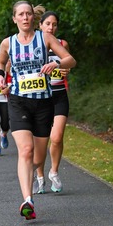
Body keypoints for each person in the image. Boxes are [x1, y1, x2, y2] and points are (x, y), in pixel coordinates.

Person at [0, 1, 76, 220]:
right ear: (14, 18)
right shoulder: (8, 43)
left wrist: (56, 64)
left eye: (28, 14)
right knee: (26, 151)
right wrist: (0, 76)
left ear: (33, 18)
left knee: (37, 159)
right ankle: (28, 200)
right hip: (19, 101)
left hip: (43, 104)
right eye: (20, 14)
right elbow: (0, 63)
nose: (25, 17)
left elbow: (71, 59)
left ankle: (32, 174)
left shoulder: (46, 38)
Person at [33, 11, 71, 194]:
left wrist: (63, 69)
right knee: (40, 140)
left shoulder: (62, 44)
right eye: (47, 23)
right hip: (40, 98)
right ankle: (39, 176)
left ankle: (54, 172)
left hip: (59, 95)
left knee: (57, 137)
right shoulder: (33, 45)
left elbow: (68, 64)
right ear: (40, 25)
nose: (51, 27)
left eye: (54, 24)